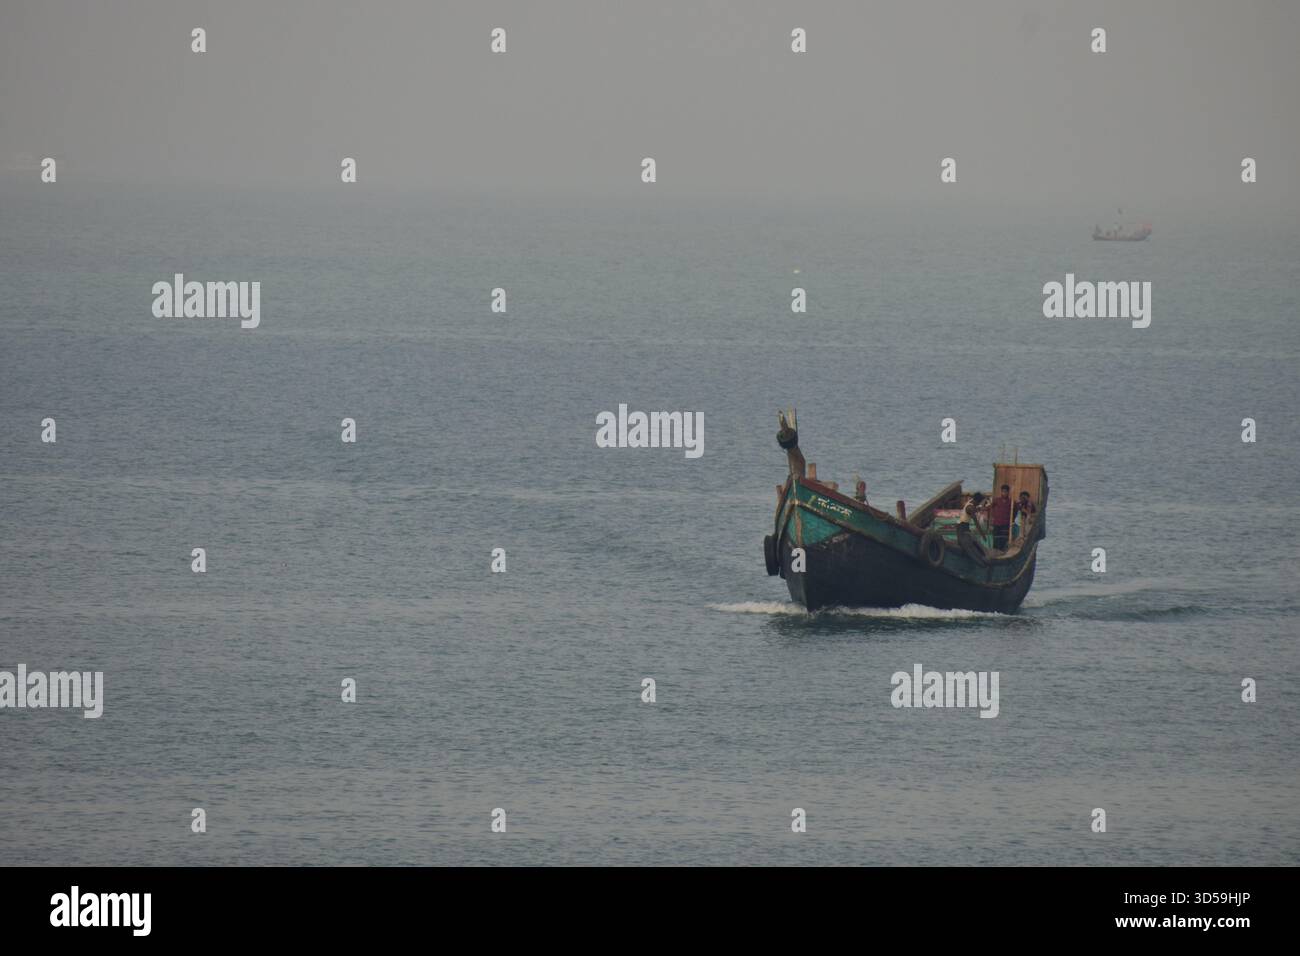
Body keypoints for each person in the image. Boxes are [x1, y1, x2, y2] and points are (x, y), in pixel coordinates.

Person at [988, 484, 1013, 551]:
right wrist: (991, 520)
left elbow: (1015, 511)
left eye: (1005, 492)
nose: (1004, 493)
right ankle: (995, 551)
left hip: (1005, 524)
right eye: (1002, 491)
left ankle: (1002, 551)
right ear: (1001, 492)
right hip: (997, 523)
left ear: (1008, 492)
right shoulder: (997, 500)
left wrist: (1011, 520)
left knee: (1004, 539)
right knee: (996, 539)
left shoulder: (1011, 502)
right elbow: (990, 508)